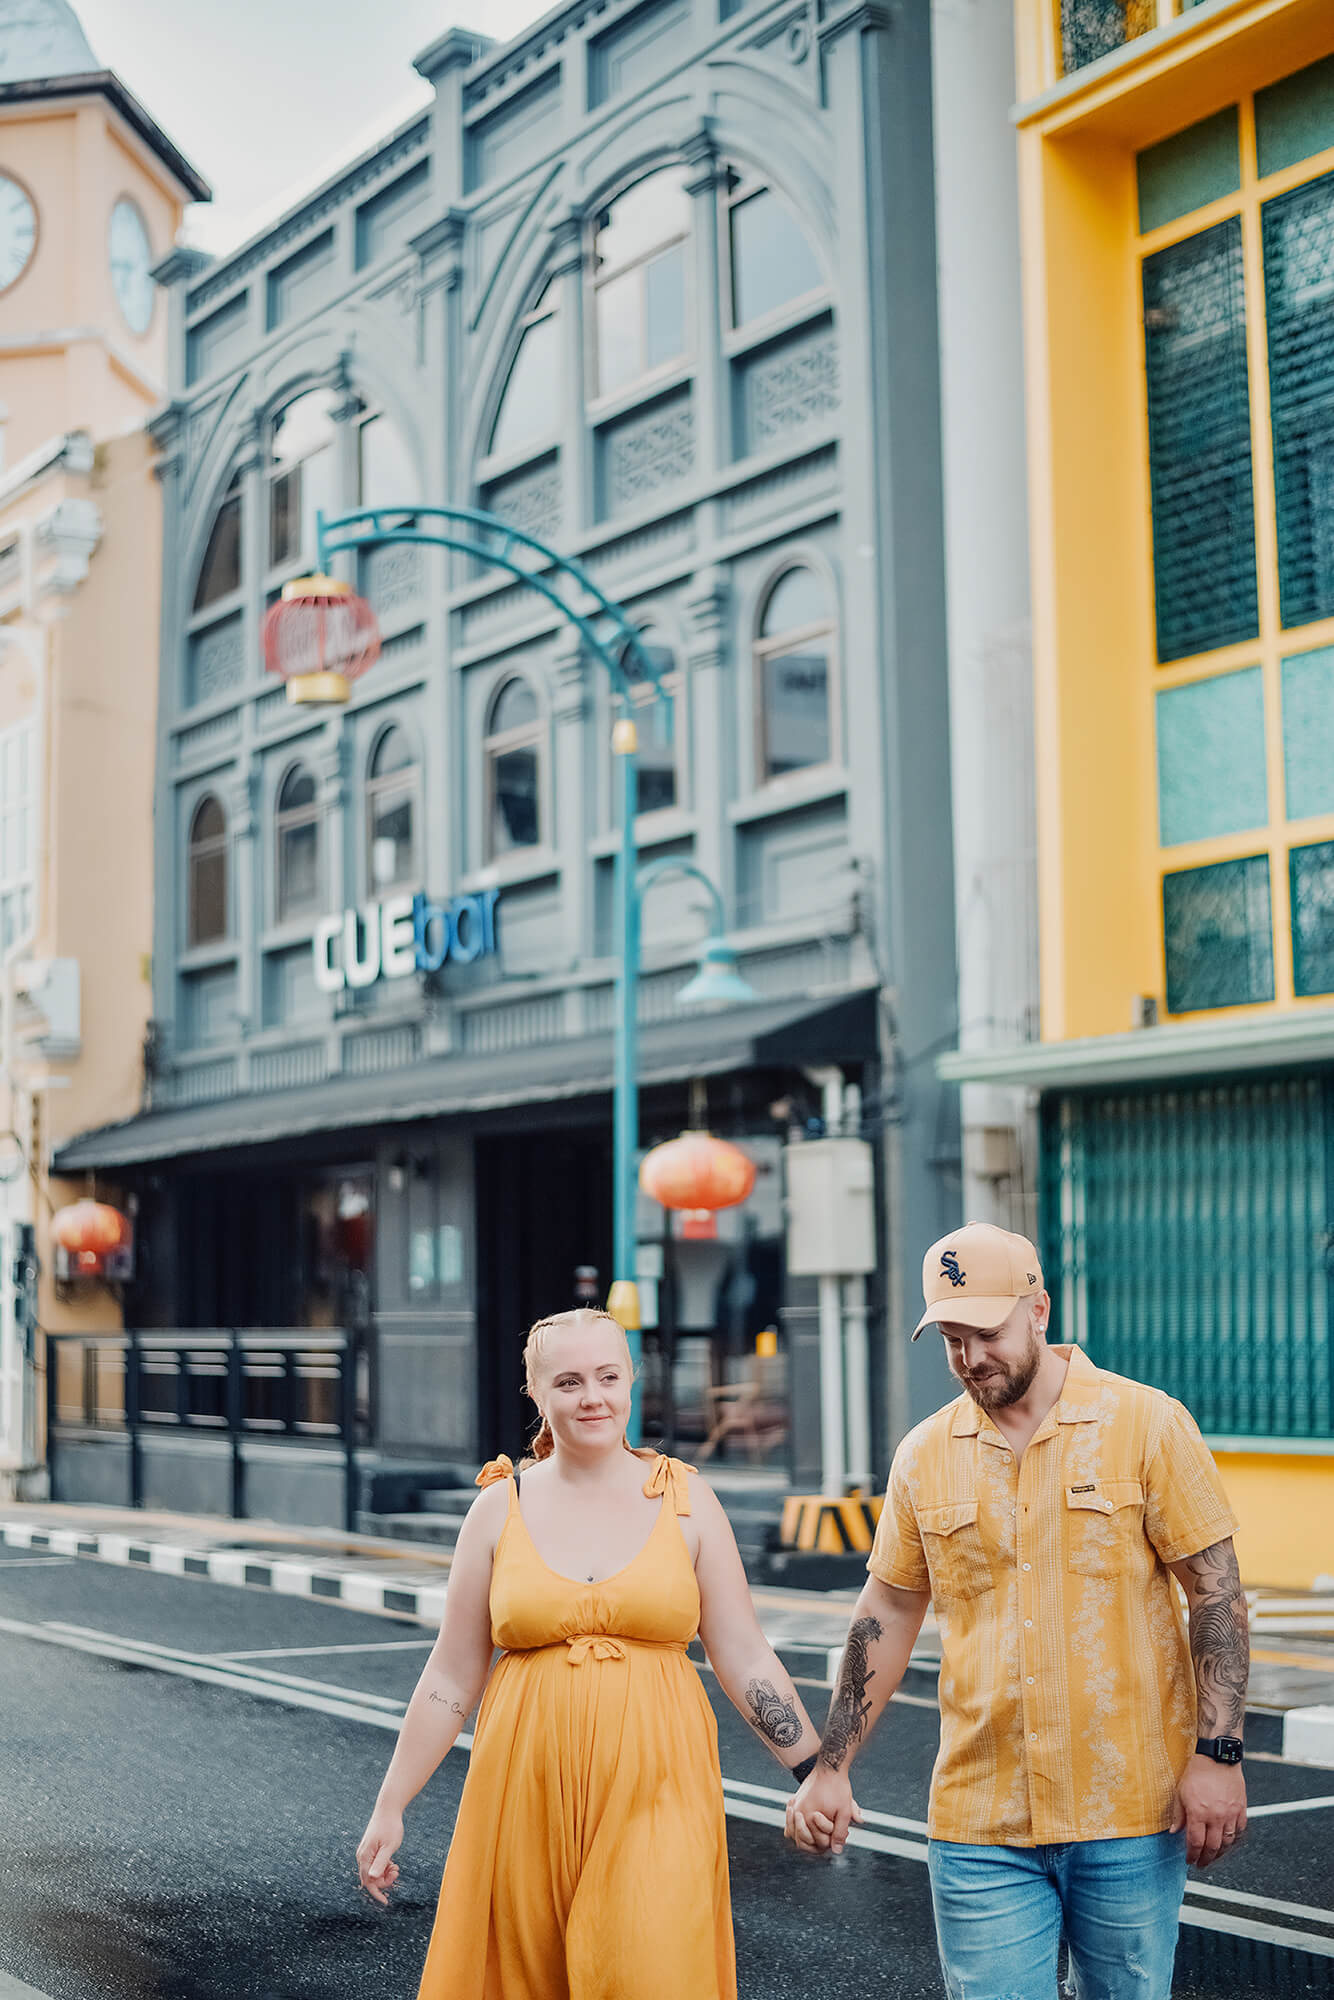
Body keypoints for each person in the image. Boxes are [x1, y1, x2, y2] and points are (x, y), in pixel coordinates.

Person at [788, 1220, 1250, 2000]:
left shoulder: (1146, 1424)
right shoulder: (924, 1455)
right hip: (981, 1821)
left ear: (1040, 1309)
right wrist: (830, 1767)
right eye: (951, 1339)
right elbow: (888, 1614)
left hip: (1129, 1810)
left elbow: (1217, 1594)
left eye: (986, 1333)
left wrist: (1220, 1754)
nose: (969, 1358)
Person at [356, 1305, 824, 2000]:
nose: (593, 1397)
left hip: (659, 1789)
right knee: (525, 1980)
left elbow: (746, 1656)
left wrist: (815, 1769)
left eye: (608, 1376)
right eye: (569, 1382)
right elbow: (452, 1676)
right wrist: (391, 1805)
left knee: (652, 1968)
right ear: (537, 1394)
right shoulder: (498, 1508)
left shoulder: (686, 1500)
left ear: (632, 1380)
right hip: (521, 1796)